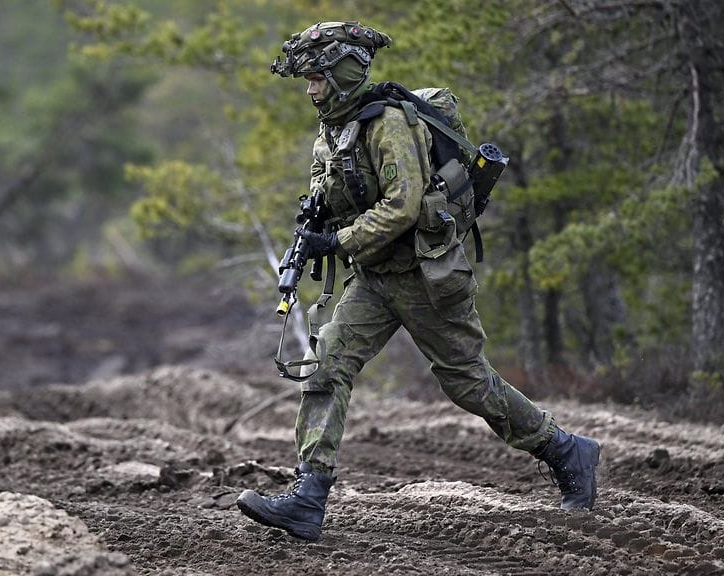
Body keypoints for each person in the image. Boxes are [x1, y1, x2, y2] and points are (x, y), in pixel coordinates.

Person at [236, 21, 601, 542]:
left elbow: (403, 206)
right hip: (376, 278)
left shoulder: (387, 123)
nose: (311, 89)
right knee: (327, 364)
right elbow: (332, 189)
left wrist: (337, 244)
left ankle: (566, 449)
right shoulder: (333, 128)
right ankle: (308, 498)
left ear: (341, 74)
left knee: (469, 383)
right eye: (307, 80)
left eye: (317, 78)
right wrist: (316, 222)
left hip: (426, 277)